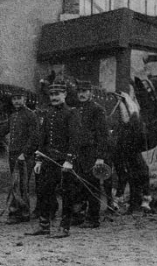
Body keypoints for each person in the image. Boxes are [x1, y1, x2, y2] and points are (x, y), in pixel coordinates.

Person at [25, 80, 81, 238]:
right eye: (52, 94)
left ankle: (64, 228)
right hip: (48, 159)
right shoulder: (47, 113)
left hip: (64, 161)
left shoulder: (71, 113)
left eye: (57, 94)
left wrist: (69, 160)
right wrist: (38, 160)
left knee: (66, 194)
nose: (54, 97)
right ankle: (44, 226)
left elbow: (75, 139)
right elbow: (42, 138)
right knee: (43, 191)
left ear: (65, 94)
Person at [0, 87, 38, 223]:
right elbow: (1, 132)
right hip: (13, 155)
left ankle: (21, 213)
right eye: (14, 99)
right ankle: (19, 212)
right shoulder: (13, 116)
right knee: (16, 183)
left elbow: (34, 138)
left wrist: (25, 154)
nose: (16, 101)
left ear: (24, 99)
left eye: (19, 99)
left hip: (24, 156)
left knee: (22, 184)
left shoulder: (31, 115)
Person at [73, 80, 111, 229]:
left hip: (92, 152)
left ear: (90, 92)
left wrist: (100, 156)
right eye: (79, 91)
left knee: (92, 184)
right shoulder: (76, 110)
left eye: (84, 91)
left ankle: (93, 218)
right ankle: (79, 215)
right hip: (78, 152)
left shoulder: (97, 109)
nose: (82, 94)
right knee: (78, 183)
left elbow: (103, 135)